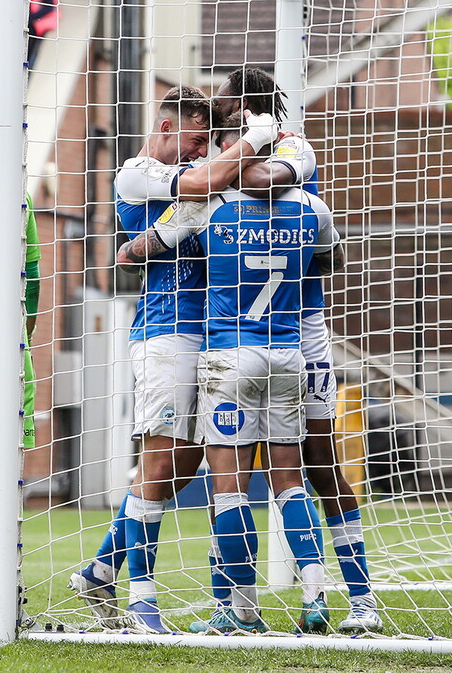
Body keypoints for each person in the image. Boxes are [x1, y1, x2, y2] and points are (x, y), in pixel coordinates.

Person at [68, 86, 279, 633]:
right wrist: (255, 139)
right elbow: (207, 182)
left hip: (213, 335)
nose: (200, 148)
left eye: (208, 140)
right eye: (194, 136)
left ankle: (101, 568)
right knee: (159, 465)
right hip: (163, 335)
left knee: (190, 468)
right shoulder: (137, 173)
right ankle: (141, 602)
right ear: (166, 127)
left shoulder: (197, 168)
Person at [115, 116, 337, 633]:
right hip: (289, 355)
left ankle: (237, 609)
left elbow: (141, 250)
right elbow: (333, 260)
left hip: (228, 357)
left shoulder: (211, 206)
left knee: (229, 486)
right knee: (288, 480)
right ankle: (316, 594)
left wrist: (130, 250)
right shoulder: (311, 206)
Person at [213, 67, 383, 634]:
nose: (217, 111)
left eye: (226, 104)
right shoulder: (228, 167)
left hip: (299, 334)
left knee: (321, 463)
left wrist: (230, 158)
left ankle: (360, 600)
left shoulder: (293, 148)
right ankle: (234, 603)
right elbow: (332, 255)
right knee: (233, 466)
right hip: (264, 338)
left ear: (250, 108)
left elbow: (261, 180)